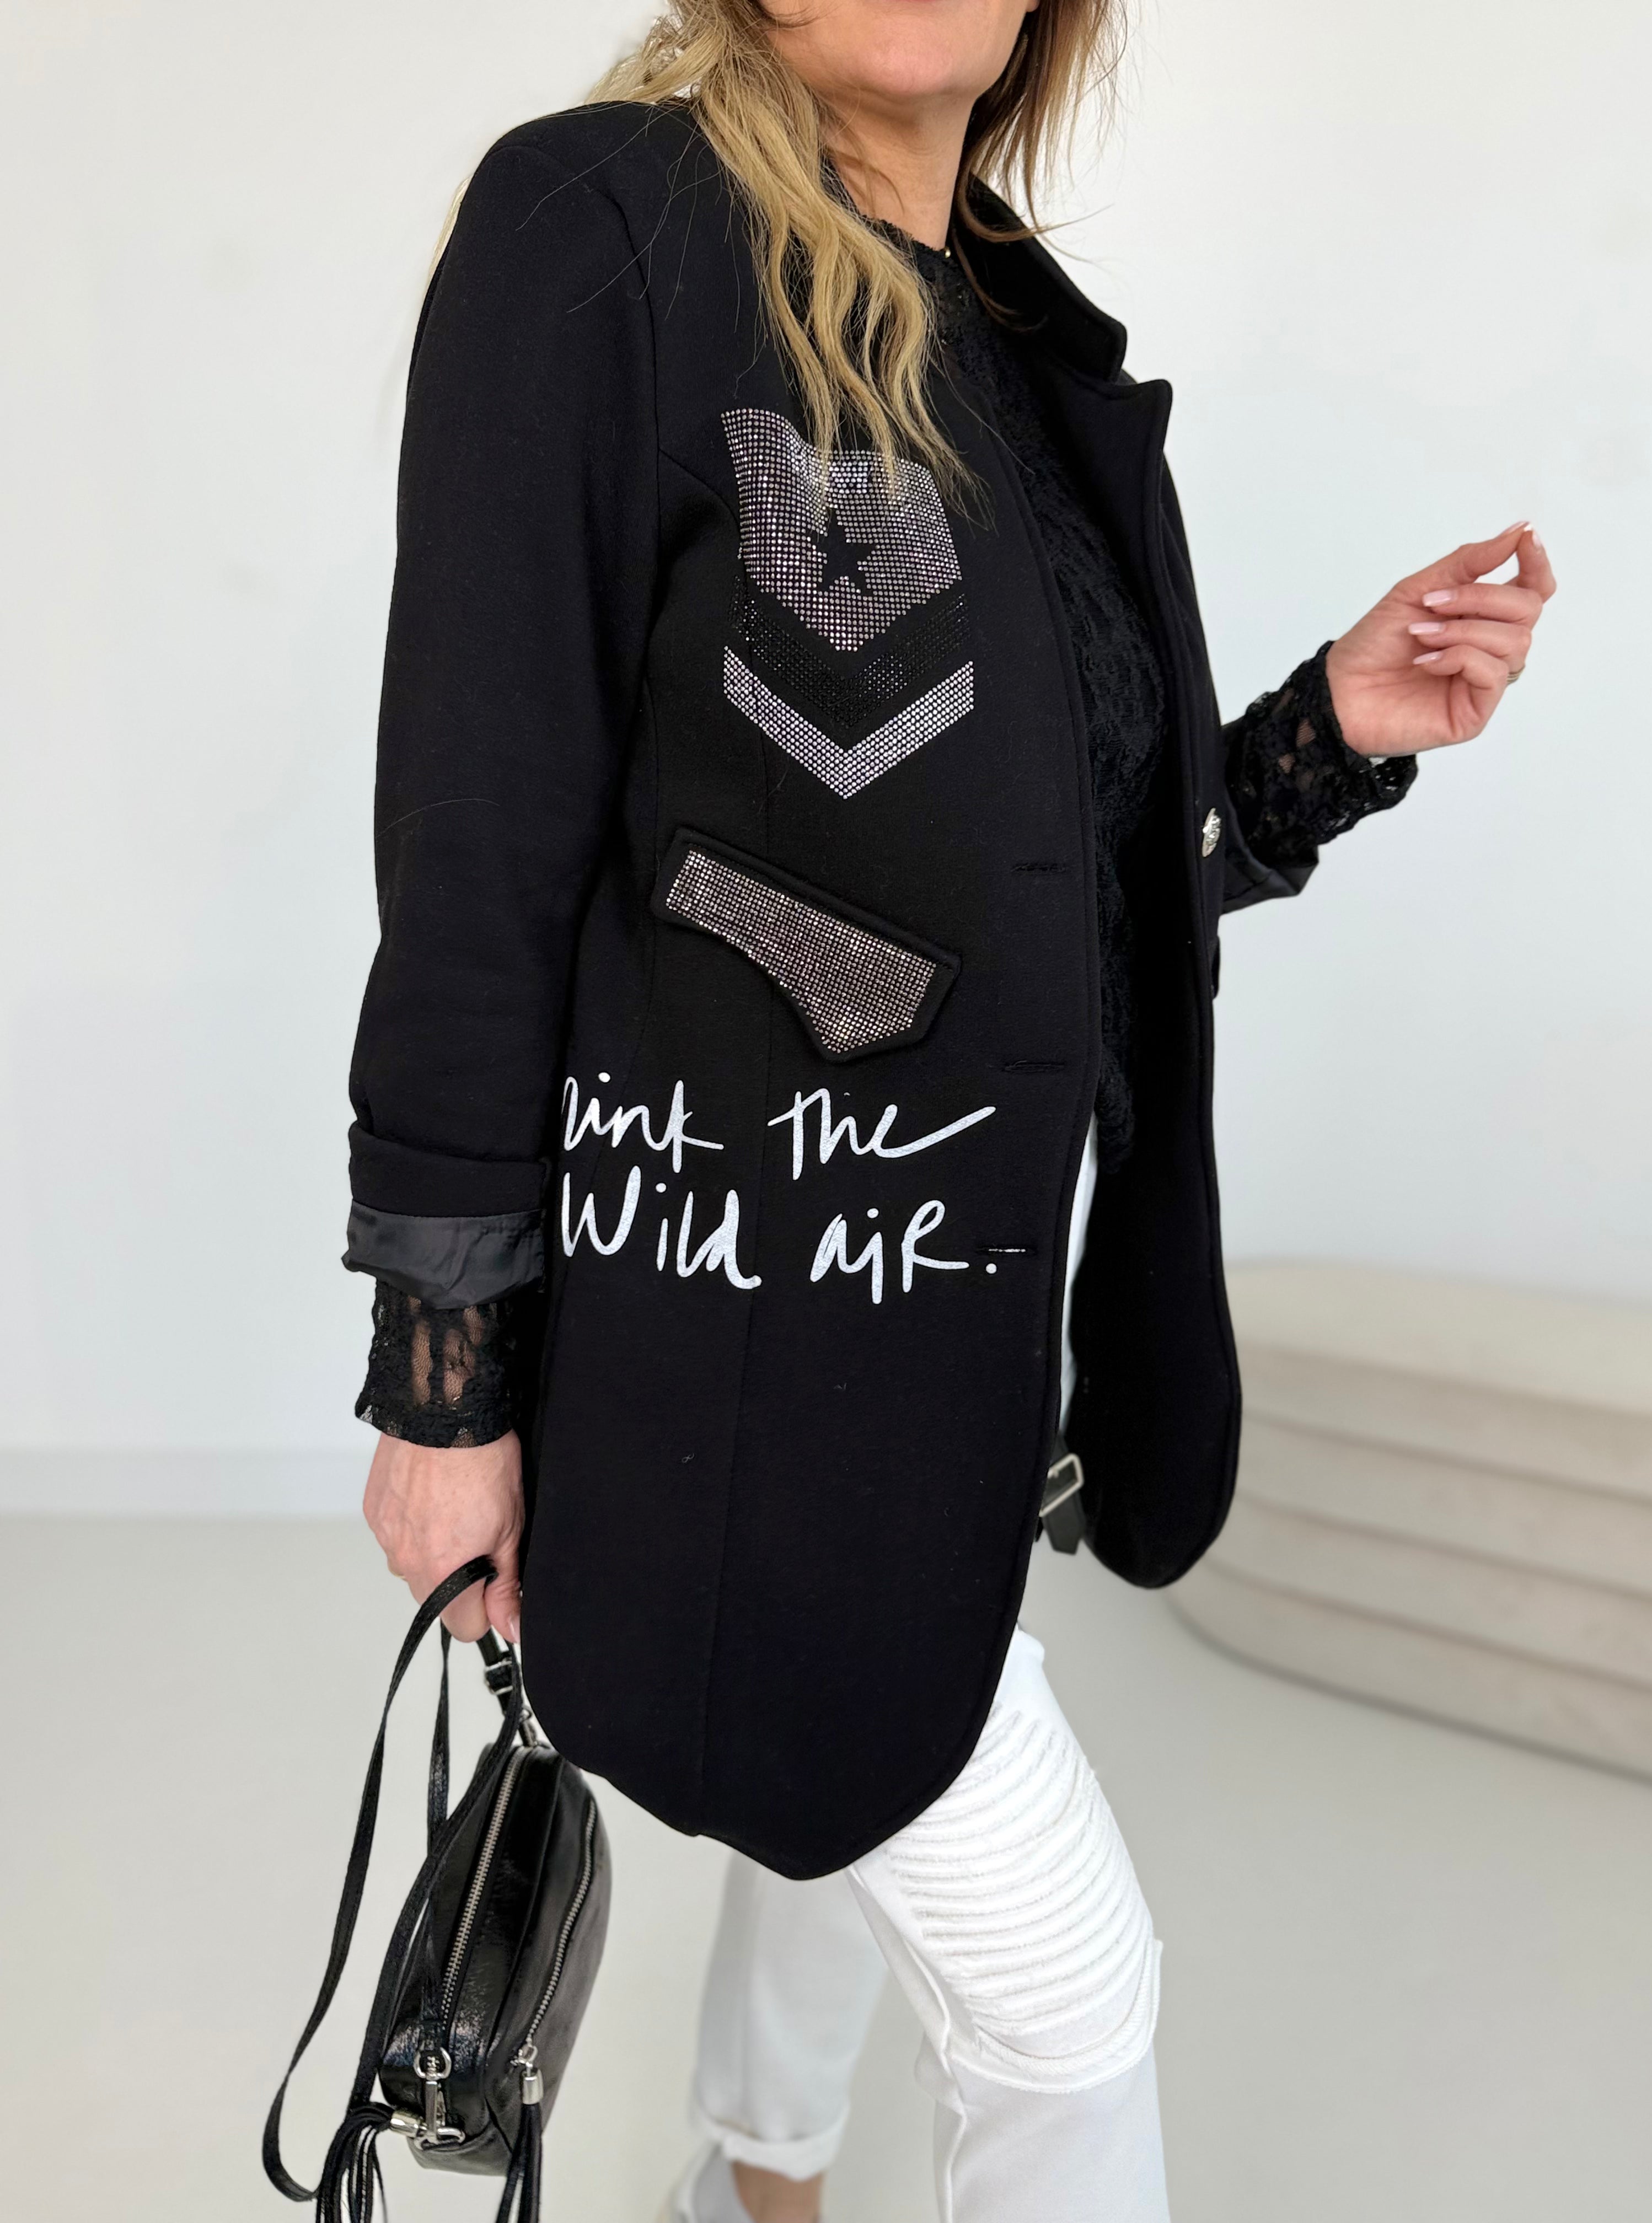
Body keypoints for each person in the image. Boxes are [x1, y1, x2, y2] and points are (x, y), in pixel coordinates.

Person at [349, 1, 1554, 2215]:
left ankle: (757, 2174)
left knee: (871, 1775)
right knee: (1070, 2001)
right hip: (730, 1336)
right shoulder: (603, 237)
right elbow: (478, 849)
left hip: (954, 1340)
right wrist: (446, 1384)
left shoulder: (1010, 340)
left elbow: (1047, 880)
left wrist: (1321, 738)